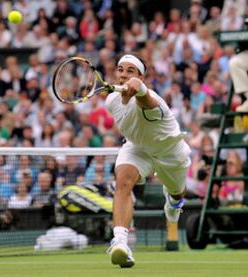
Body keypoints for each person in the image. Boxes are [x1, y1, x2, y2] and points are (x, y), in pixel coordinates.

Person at [105, 54, 191, 268]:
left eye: (130, 71)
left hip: (170, 151)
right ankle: (121, 242)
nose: (123, 75)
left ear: (142, 77)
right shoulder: (111, 101)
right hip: (138, 148)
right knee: (123, 181)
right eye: (120, 69)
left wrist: (138, 88)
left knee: (178, 193)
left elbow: (145, 99)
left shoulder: (153, 100)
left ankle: (173, 201)